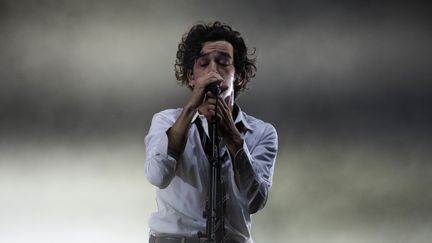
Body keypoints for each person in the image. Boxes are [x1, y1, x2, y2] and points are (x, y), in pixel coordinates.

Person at [144, 21, 278, 243]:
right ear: (191, 77)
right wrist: (189, 110)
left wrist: (233, 136)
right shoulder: (165, 120)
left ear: (240, 76)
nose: (213, 72)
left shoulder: (262, 133)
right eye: (203, 63)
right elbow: (158, 175)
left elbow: (255, 200)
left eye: (223, 63)